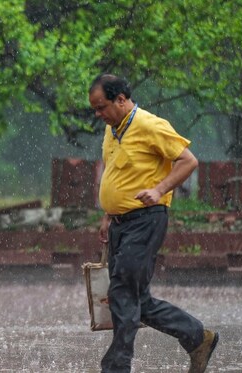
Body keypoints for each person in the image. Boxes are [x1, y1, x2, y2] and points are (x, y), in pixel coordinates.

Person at [89, 74, 218, 373]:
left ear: (121, 99)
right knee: (138, 300)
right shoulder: (112, 130)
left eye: (101, 107)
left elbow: (189, 161)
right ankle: (198, 337)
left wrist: (159, 189)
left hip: (145, 220)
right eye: (94, 109)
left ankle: (116, 367)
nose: (98, 114)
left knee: (122, 291)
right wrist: (108, 215)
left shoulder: (150, 125)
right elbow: (115, 173)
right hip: (120, 224)